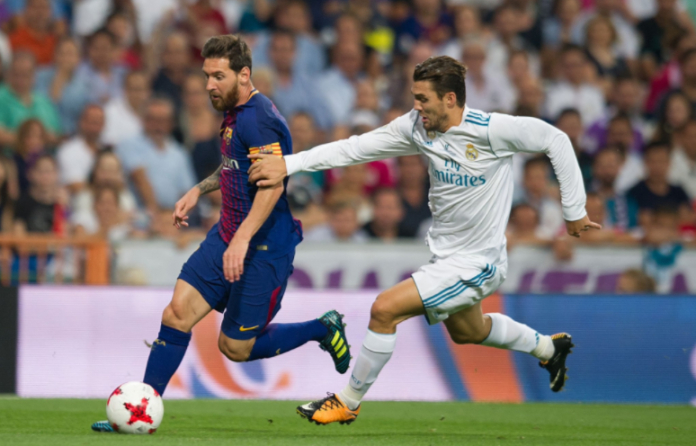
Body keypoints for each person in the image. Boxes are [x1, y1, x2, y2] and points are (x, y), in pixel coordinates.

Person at [248, 55, 600, 425]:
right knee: (469, 331)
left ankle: (347, 401)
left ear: (450, 99)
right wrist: (289, 163)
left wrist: (573, 209)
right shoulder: (416, 127)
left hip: (478, 262)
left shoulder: (491, 130)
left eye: (423, 98)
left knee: (384, 309)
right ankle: (549, 348)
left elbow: (556, 139)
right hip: (446, 259)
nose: (416, 106)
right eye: (415, 97)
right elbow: (353, 148)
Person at [91, 34, 350, 433]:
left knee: (234, 347)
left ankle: (322, 328)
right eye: (206, 75)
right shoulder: (234, 111)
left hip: (264, 247)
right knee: (176, 313)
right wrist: (198, 189)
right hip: (227, 234)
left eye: (218, 76)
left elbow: (272, 187)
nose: (209, 85)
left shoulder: (260, 120)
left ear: (244, 75)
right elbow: (233, 166)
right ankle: (140, 410)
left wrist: (243, 241)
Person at [56, 105, 106, 194]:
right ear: (82, 122)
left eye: (100, 123)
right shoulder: (68, 151)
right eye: (93, 122)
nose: (96, 128)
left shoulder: (107, 149)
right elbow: (75, 186)